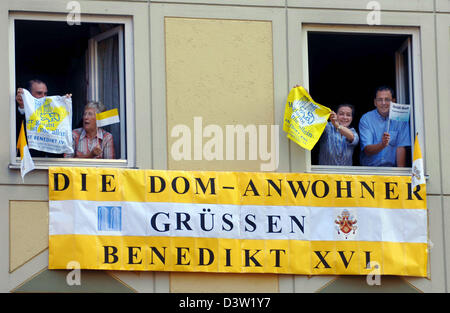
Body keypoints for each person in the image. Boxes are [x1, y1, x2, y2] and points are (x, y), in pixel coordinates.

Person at [359, 86, 411, 167]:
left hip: (392, 171)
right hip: (369, 171)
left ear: (393, 101)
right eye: (380, 100)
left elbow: (401, 148)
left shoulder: (400, 118)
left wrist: (401, 175)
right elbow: (367, 150)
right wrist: (382, 145)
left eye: (387, 99)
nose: (383, 103)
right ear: (375, 102)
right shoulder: (366, 118)